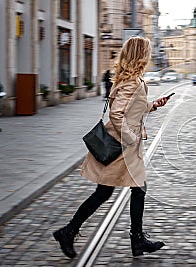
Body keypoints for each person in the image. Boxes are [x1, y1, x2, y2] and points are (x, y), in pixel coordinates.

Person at [53, 36, 169, 259]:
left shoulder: (131, 80)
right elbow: (117, 114)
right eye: (147, 52)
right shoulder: (131, 82)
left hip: (124, 145)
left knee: (113, 191)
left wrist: (153, 105)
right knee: (129, 189)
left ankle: (71, 232)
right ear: (141, 55)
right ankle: (133, 240)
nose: (150, 56)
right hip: (122, 147)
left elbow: (131, 108)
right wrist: (130, 138)